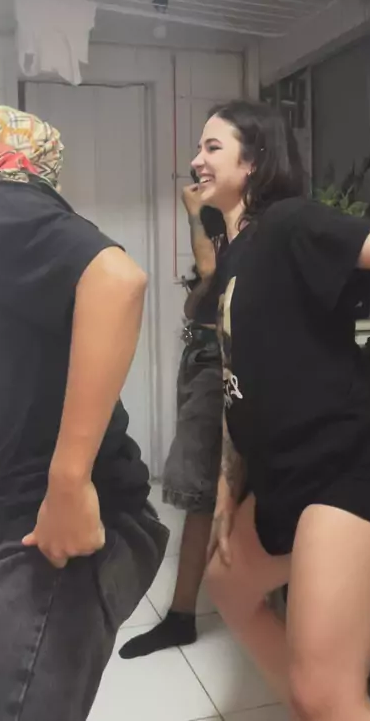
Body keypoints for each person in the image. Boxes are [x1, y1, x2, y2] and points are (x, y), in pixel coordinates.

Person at [0, 106, 168, 721]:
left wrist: (68, 484)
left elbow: (118, 279)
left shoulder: (1, 201)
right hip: (11, 503)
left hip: (60, 521)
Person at [189, 99, 370, 721]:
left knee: (325, 694)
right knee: (228, 587)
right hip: (287, 473)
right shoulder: (236, 255)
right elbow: (238, 381)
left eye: (212, 147)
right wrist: (228, 490)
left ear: (254, 161)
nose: (196, 160)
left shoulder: (287, 223)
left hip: (352, 463)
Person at [120, 181, 226, 658]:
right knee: (205, 489)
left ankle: (184, 615)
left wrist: (193, 211)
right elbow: (204, 288)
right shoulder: (224, 216)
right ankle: (191, 611)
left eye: (212, 148)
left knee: (198, 487)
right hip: (203, 356)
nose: (199, 163)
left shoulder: (247, 218)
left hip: (219, 363)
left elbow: (211, 270)